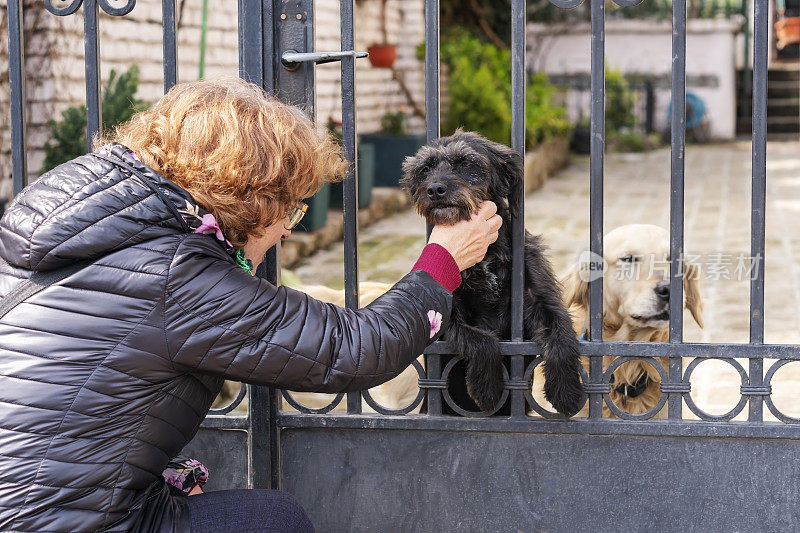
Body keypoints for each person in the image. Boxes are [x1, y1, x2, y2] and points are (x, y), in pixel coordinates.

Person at [0, 77, 502, 532]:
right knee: (271, 520)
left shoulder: (79, 224)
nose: (287, 228)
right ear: (250, 195)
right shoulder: (176, 272)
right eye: (289, 207)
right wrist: (443, 259)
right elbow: (357, 349)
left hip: (31, 507)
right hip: (53, 523)